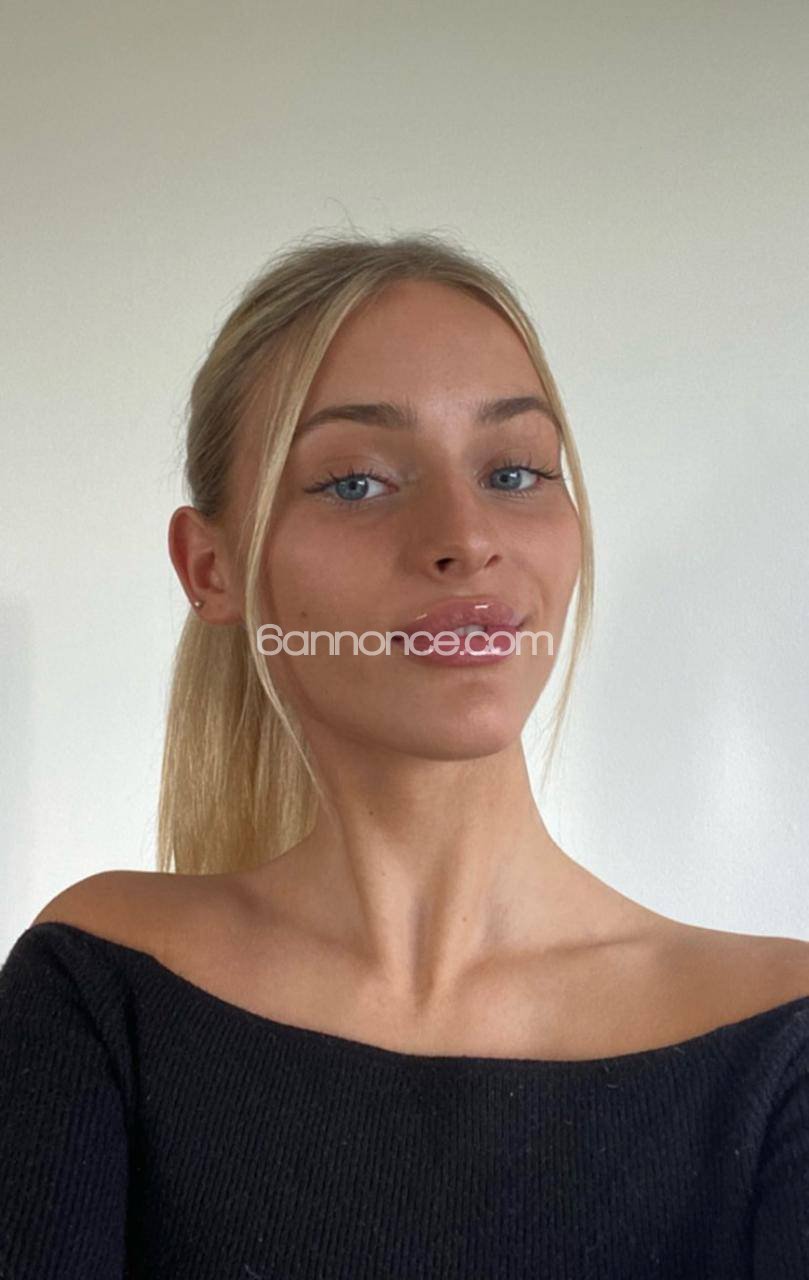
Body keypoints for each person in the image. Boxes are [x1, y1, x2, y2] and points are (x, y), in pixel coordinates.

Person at [2, 230, 808, 1277]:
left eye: (513, 470)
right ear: (209, 568)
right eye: (355, 483)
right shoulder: (100, 988)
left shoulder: (780, 1044)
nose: (464, 536)